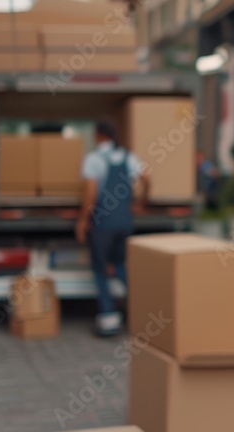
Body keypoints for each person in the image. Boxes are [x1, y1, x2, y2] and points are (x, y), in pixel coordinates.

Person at [76, 122, 148, 336]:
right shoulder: (128, 157)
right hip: (124, 222)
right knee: (119, 265)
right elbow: (147, 178)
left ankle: (109, 320)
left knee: (100, 269)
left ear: (99, 135)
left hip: (103, 224)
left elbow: (91, 192)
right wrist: (142, 201)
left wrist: (82, 220)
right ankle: (141, 311)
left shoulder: (94, 158)